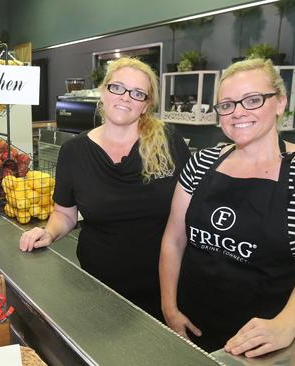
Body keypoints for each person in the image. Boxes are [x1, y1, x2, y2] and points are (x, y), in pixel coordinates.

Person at [159, 58, 295, 356]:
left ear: (280, 103)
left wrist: (285, 325)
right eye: (227, 105)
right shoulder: (201, 162)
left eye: (252, 100)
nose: (238, 112)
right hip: (190, 321)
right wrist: (169, 308)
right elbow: (174, 240)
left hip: (266, 336)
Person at [20, 57, 191, 321]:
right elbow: (65, 214)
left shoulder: (168, 142)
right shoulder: (74, 152)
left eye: (137, 93)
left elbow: (190, 211)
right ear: (104, 91)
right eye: (117, 87)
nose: (126, 98)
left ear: (146, 104)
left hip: (165, 284)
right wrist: (48, 233)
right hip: (97, 284)